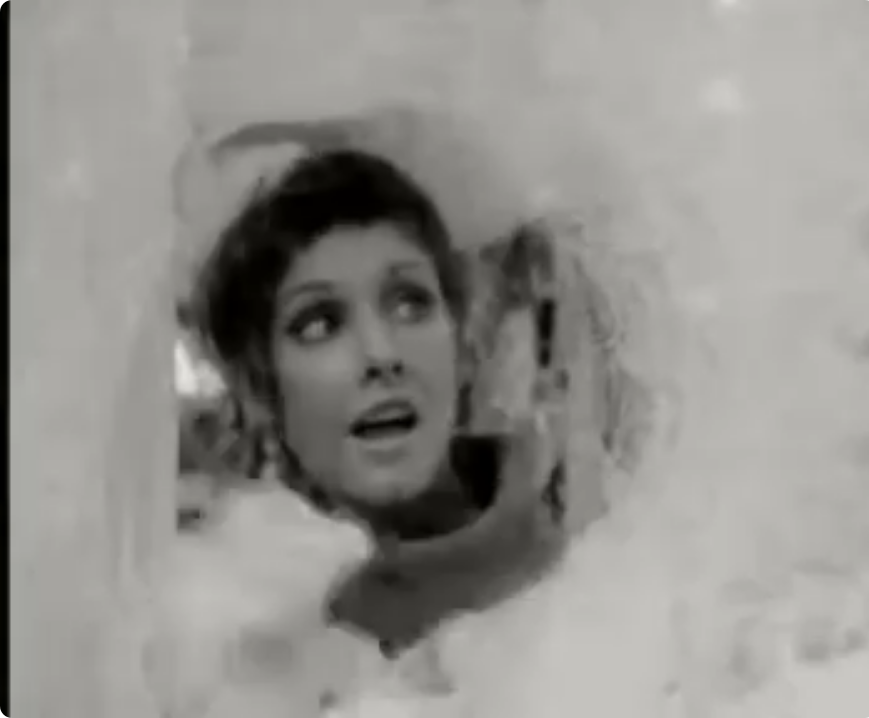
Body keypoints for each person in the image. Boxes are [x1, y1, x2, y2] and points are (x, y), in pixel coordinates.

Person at [150, 139, 598, 717]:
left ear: (461, 345)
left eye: (410, 304)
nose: (382, 353)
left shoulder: (597, 534)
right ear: (262, 393)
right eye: (319, 324)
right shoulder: (238, 635)